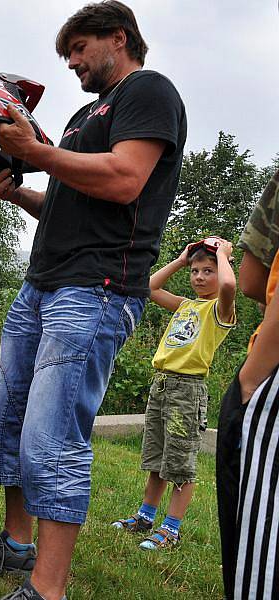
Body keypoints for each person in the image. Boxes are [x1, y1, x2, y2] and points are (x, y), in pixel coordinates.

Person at [0, 2, 187, 599]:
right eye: (68, 54)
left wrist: (38, 152)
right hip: (42, 284)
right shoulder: (84, 114)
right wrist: (19, 190)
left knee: (50, 437)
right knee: (4, 422)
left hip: (96, 290)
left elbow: (125, 179)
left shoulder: (149, 91)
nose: (73, 62)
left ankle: (45, 590)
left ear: (118, 38)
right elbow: (67, 200)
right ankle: (15, 544)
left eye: (79, 48)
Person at [111, 238, 235, 550]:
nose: (199, 276)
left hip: (187, 390)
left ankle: (171, 529)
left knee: (180, 464)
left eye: (208, 271)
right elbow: (150, 288)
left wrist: (223, 255)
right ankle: (144, 516)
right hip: (162, 384)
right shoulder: (185, 305)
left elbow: (230, 287)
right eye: (195, 270)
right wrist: (180, 260)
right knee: (157, 459)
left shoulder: (219, 310)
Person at [217, 167, 279, 599]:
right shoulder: (186, 307)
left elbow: (244, 281)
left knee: (260, 553)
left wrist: (251, 377)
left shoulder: (213, 308)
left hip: (269, 379)